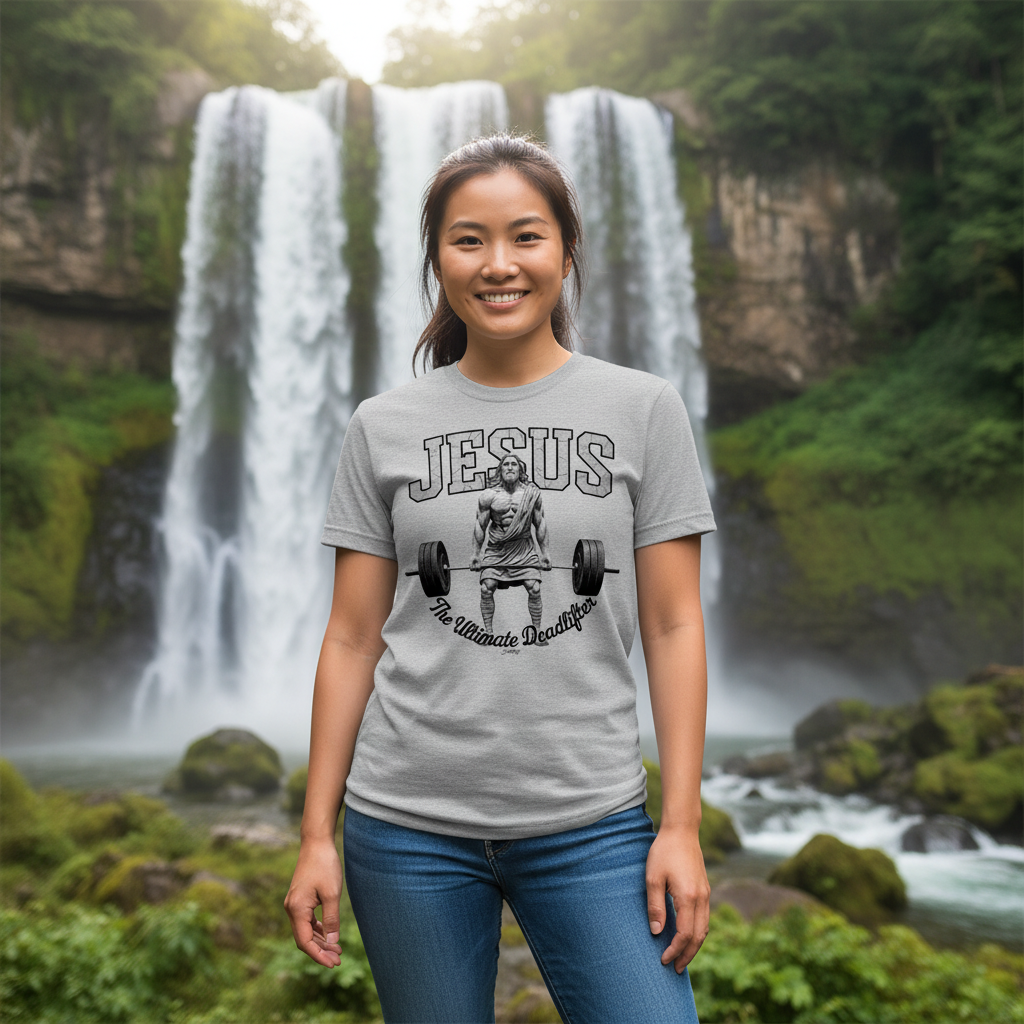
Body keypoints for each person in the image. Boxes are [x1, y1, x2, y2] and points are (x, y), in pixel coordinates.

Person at [285, 134, 716, 1024]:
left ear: (566, 249)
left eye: (525, 236)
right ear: (437, 258)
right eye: (468, 240)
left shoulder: (644, 409)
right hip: (405, 829)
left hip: (592, 822)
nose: (498, 265)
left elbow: (674, 626)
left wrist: (680, 825)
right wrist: (316, 833)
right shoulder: (382, 426)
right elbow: (352, 638)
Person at [470, 452, 551, 642]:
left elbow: (540, 523)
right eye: (505, 464)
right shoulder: (489, 495)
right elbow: (480, 525)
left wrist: (545, 553)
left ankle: (537, 633)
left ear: (520, 470)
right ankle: (488, 633)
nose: (509, 467)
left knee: (534, 588)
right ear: (500, 470)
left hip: (523, 548)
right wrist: (475, 554)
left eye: (514, 464)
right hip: (497, 549)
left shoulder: (531, 494)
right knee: (486, 588)